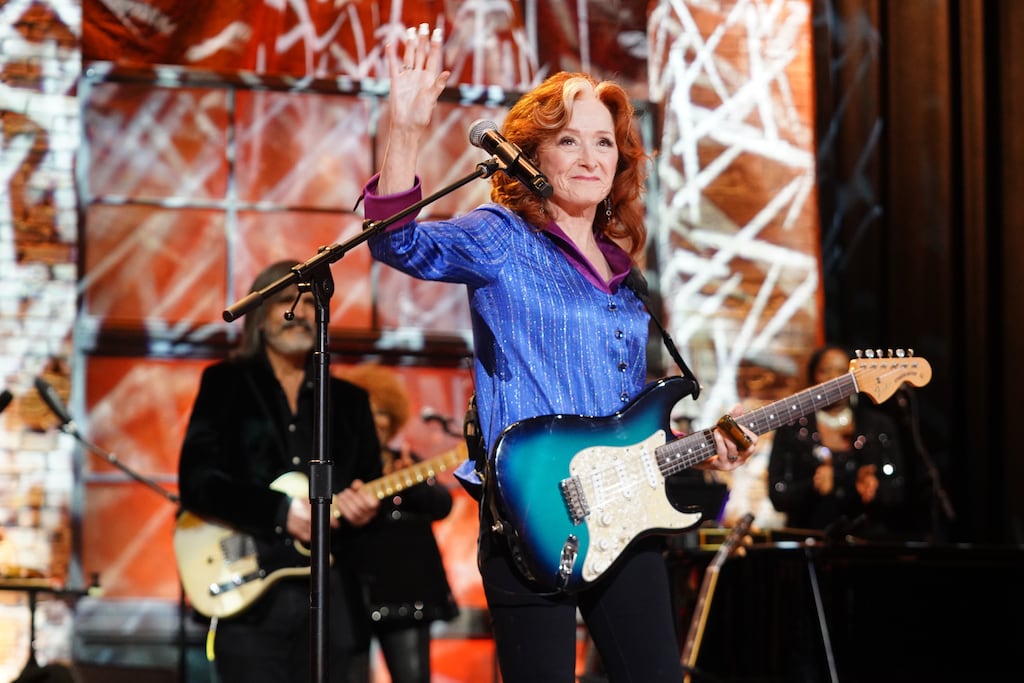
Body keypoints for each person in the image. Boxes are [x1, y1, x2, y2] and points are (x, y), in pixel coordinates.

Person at [357, 24, 757, 683]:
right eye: (569, 138)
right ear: (531, 154)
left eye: (605, 141)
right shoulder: (501, 237)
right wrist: (403, 130)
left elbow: (627, 418)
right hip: (532, 515)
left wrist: (702, 443)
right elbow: (400, 245)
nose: (591, 155)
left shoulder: (627, 278)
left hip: (626, 518)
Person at [177, 259, 383, 683]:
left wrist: (364, 507)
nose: (300, 311)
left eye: (310, 303)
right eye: (286, 301)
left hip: (333, 595)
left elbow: (369, 480)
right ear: (259, 315)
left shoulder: (350, 401)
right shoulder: (225, 383)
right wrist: (277, 512)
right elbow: (196, 481)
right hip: (250, 594)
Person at [341, 362, 459, 683]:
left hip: (406, 592)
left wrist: (414, 484)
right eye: (365, 411)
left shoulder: (407, 464)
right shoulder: (339, 470)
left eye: (381, 412)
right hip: (351, 594)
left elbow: (442, 504)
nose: (374, 420)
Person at [767, 343, 907, 541]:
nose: (833, 379)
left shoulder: (877, 426)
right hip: (809, 542)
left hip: (867, 543)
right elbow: (778, 495)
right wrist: (812, 486)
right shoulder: (792, 427)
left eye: (841, 372)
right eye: (825, 371)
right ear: (813, 376)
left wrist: (874, 488)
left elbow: (897, 491)